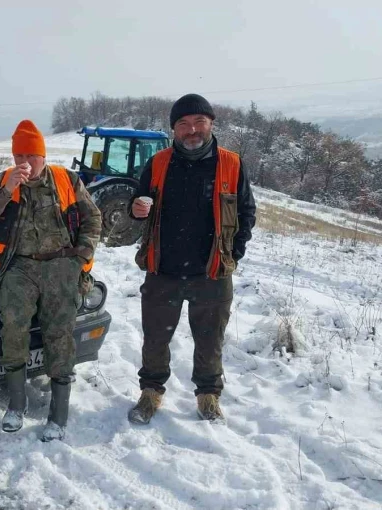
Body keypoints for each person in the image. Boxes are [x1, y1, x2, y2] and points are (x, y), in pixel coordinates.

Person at [127, 93, 256, 424]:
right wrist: (136, 209)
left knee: (210, 339)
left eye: (199, 121)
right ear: (174, 129)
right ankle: (151, 392)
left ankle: (208, 395)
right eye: (183, 124)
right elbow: (138, 202)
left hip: (211, 272)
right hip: (163, 270)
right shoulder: (158, 163)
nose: (192, 129)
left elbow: (246, 212)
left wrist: (234, 253)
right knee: (155, 337)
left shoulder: (231, 164)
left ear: (211, 123)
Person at [0, 120, 102, 441]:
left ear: (43, 156)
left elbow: (93, 217)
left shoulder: (66, 179)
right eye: (19, 155)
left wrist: (81, 257)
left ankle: (58, 415)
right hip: (18, 267)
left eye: (31, 155)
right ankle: (17, 404)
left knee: (60, 334)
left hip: (62, 266)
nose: (25, 162)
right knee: (13, 329)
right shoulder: (2, 181)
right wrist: (6, 190)